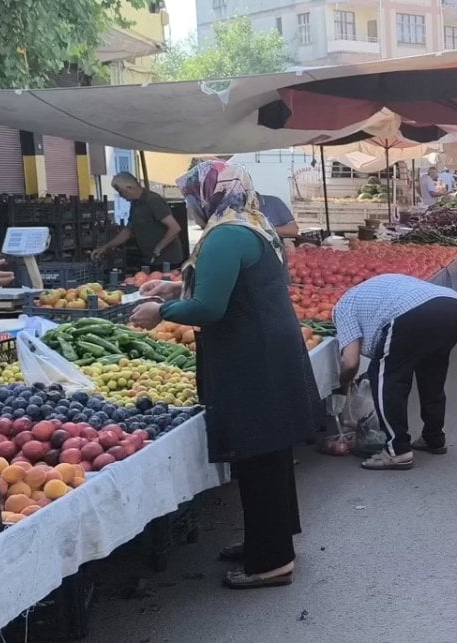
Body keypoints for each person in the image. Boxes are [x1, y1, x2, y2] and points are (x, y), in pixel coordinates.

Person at [129, 160, 318, 590]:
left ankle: (271, 561)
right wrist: (177, 287)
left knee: (258, 452)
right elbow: (235, 285)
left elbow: (210, 308)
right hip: (269, 348)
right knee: (270, 452)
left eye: (191, 197)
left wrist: (162, 311)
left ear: (208, 194)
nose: (191, 206)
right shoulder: (252, 224)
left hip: (250, 355)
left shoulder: (224, 235)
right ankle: (271, 541)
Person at [333, 274, 457, 471]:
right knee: (432, 373)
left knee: (386, 377)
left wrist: (342, 385)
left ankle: (397, 450)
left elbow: (351, 362)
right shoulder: (372, 288)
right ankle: (434, 437)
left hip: (412, 314)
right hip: (455, 306)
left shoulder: (342, 307)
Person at [92, 172, 184, 267]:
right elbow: (128, 230)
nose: (121, 196)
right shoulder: (135, 204)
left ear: (129, 187)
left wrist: (158, 249)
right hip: (149, 259)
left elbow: (175, 228)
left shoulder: (153, 200)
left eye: (121, 192)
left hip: (167, 261)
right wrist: (105, 247)